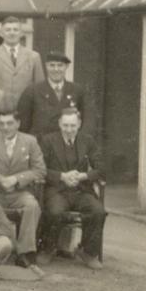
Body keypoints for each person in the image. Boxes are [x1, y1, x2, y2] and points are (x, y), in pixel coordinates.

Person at [0, 109, 47, 276]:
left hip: (19, 192)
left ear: (18, 124)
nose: (5, 127)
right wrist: (0, 180)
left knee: (32, 206)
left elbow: (40, 170)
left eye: (10, 123)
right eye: (2, 123)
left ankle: (25, 253)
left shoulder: (30, 141)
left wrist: (16, 179)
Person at [38, 108, 106, 269]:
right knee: (54, 212)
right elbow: (40, 168)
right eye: (65, 125)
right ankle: (48, 248)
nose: (69, 130)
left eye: (73, 126)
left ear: (79, 124)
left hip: (81, 190)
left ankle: (88, 252)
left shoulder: (88, 141)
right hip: (57, 190)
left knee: (98, 211)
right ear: (59, 124)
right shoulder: (48, 141)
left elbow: (102, 168)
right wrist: (62, 176)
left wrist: (84, 176)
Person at [17, 51, 87, 138]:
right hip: (41, 145)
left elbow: (84, 120)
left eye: (60, 65)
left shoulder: (77, 90)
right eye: (52, 65)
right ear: (46, 66)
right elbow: (22, 125)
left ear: (66, 67)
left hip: (67, 144)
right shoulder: (32, 90)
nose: (56, 69)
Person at [0, 16, 44, 107]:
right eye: (8, 30)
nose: (12, 33)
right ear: (1, 33)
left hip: (25, 110)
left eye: (15, 30)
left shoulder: (34, 56)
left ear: (21, 33)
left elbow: (40, 88)